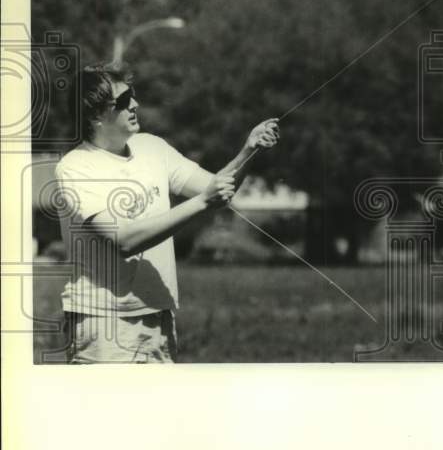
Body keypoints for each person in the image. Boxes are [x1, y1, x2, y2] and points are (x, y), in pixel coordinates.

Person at [54, 62, 279, 363]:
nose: (135, 104)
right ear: (96, 116)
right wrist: (202, 202)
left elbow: (215, 189)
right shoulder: (75, 167)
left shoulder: (153, 147)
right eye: (122, 101)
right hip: (103, 325)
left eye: (132, 94)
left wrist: (249, 150)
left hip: (158, 316)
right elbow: (124, 241)